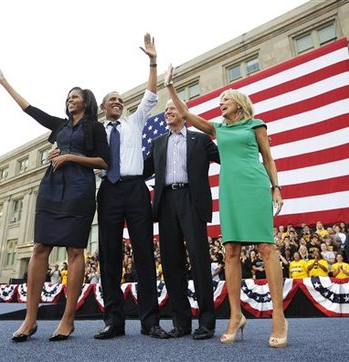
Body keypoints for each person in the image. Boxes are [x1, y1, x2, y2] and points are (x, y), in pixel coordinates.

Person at [163, 65, 287, 347]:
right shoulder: (216, 128)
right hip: (229, 189)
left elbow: (268, 159)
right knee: (231, 250)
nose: (221, 105)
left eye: (225, 101)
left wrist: (275, 188)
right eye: (219, 102)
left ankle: (278, 317)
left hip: (254, 186)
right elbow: (187, 114)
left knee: (266, 248)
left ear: (239, 104)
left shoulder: (256, 125)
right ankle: (235, 316)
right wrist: (170, 88)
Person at [0, 68, 109, 342]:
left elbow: (103, 161)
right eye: (68, 96)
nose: (70, 99)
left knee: (75, 250)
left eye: (75, 96)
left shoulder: (95, 128)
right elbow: (30, 109)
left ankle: (68, 319)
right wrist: (5, 82)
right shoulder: (59, 126)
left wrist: (70, 157)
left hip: (79, 190)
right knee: (40, 247)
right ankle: (29, 320)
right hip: (51, 188)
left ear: (85, 102)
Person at [94, 33, 168, 340]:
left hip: (136, 190)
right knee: (109, 256)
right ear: (103, 106)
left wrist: (152, 60)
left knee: (143, 254)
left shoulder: (134, 123)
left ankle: (150, 322)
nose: (118, 102)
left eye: (121, 100)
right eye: (112, 99)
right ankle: (114, 321)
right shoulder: (95, 132)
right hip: (108, 192)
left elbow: (151, 95)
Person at [143, 97, 220, 340]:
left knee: (199, 260)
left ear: (184, 112)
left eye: (172, 108)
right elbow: (140, 169)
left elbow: (226, 155)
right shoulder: (157, 143)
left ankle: (206, 323)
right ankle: (181, 323)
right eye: (165, 110)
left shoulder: (199, 139)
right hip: (166, 204)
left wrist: (252, 145)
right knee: (172, 264)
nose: (167, 112)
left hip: (192, 200)